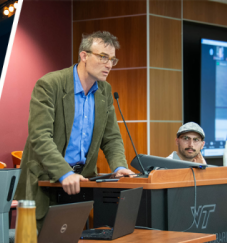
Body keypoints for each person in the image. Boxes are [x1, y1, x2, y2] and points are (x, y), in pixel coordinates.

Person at [12, 31, 136, 230]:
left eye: (112, 59)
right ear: (84, 56)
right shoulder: (50, 85)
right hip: (46, 181)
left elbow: (111, 137)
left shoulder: (104, 91)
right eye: (103, 57)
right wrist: (64, 172)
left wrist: (118, 167)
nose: (109, 65)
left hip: (82, 183)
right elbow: (40, 136)